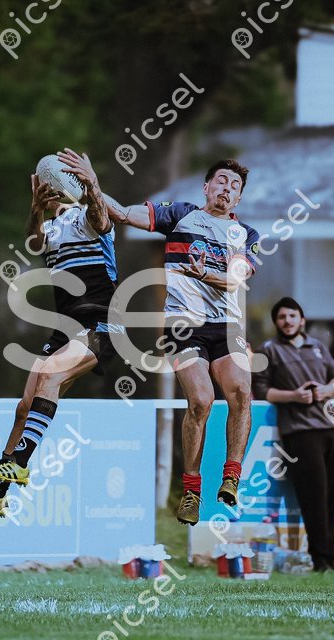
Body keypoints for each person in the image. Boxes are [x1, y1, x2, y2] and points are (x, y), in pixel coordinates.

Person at [0, 149, 122, 518]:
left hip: (102, 324)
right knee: (24, 407)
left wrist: (92, 184)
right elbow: (34, 242)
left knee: (49, 374)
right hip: (65, 328)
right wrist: (35, 209)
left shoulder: (88, 216)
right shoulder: (52, 228)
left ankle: (19, 463)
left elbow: (101, 217)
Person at [108, 159, 259, 525]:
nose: (226, 188)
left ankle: (231, 477)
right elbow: (123, 214)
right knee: (201, 400)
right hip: (182, 327)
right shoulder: (180, 215)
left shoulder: (246, 234)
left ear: (238, 199)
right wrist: (92, 186)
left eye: (234, 186)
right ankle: (191, 490)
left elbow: (235, 279)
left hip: (227, 328)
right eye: (221, 181)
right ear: (206, 188)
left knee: (242, 392)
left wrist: (205, 274)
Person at [252, 297, 334, 572]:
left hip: (329, 428)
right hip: (300, 432)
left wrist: (327, 390)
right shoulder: (268, 350)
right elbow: (261, 390)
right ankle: (320, 558)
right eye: (282, 317)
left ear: (302, 320)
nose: (287, 321)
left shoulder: (317, 347)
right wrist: (294, 395)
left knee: (332, 496)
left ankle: (330, 555)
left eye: (292, 316)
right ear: (276, 322)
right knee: (313, 497)